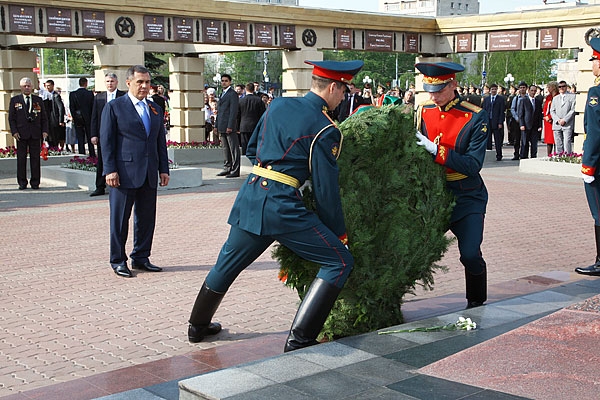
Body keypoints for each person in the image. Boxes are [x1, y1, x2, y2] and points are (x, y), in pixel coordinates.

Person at [187, 59, 363, 352]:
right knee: (339, 261)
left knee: (227, 264)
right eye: (343, 90)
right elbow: (325, 190)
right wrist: (339, 234)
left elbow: (253, 148)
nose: (343, 97)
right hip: (283, 206)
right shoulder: (325, 128)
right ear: (333, 87)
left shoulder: (279, 105)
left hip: (252, 196)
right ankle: (300, 340)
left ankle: (197, 326)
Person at [414, 61, 488, 309]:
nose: (433, 96)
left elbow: (472, 165)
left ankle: (476, 301)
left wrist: (437, 150)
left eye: (439, 90)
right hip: (435, 194)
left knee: (469, 254)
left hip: (467, 195)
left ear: (453, 85)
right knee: (414, 248)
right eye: (430, 90)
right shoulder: (423, 111)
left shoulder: (476, 116)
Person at [100, 65, 170, 278]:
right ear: (128, 83)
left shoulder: (155, 108)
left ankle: (141, 257)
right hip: (123, 174)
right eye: (140, 82)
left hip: (149, 172)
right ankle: (118, 260)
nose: (144, 86)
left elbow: (159, 141)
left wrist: (163, 169)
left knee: (147, 218)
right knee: (120, 220)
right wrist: (110, 170)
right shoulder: (115, 107)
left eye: (147, 82)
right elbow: (107, 141)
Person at [577, 38, 600, 276]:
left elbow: (595, 132)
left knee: (599, 213)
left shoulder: (596, 92)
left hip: (599, 164)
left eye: (594, 59)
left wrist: (588, 167)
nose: (592, 64)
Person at [8, 77, 49, 190]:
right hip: (21, 134)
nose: (27, 87)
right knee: (21, 159)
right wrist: (14, 131)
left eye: (29, 85)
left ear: (32, 87)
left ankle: (35, 182)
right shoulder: (15, 100)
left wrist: (45, 131)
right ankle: (22, 182)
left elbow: (44, 118)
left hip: (35, 133)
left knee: (35, 159)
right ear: (21, 87)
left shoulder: (38, 100)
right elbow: (11, 118)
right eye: (24, 86)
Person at [89, 72, 126, 197]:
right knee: (102, 160)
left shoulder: (123, 96)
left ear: (116, 82)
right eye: (108, 81)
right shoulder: (99, 98)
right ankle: (100, 186)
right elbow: (94, 117)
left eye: (112, 81)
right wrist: (94, 134)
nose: (110, 83)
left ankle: (119, 183)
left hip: (120, 135)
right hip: (103, 135)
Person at [215, 74, 240, 178]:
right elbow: (219, 111)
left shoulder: (232, 94)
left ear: (230, 82)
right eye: (222, 81)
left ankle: (235, 170)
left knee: (233, 149)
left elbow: (233, 111)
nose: (223, 82)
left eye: (226, 81)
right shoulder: (222, 94)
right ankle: (227, 167)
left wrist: (230, 126)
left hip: (229, 126)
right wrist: (216, 125)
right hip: (221, 125)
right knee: (225, 148)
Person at [237, 82, 266, 156]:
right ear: (253, 89)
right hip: (255, 126)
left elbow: (237, 115)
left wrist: (237, 127)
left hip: (244, 126)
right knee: (255, 145)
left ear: (245, 89)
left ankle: (245, 161)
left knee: (244, 146)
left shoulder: (241, 101)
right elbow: (263, 114)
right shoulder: (259, 100)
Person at [69, 77, 95, 157]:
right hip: (88, 118)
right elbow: (93, 106)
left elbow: (71, 108)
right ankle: (92, 154)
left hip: (78, 119)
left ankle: (82, 154)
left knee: (80, 137)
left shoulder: (73, 94)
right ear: (86, 83)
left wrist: (74, 118)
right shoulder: (89, 94)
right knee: (90, 136)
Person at [550, 80, 577, 154]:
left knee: (567, 142)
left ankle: (567, 157)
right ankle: (559, 156)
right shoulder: (555, 98)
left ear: (566, 87)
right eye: (560, 87)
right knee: (558, 142)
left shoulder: (572, 96)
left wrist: (565, 119)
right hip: (557, 124)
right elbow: (552, 111)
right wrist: (558, 120)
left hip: (567, 124)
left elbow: (573, 109)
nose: (561, 88)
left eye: (563, 86)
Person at [518, 84, 543, 159]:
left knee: (534, 144)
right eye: (532, 90)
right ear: (528, 91)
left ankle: (533, 158)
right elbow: (520, 114)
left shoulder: (538, 102)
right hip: (526, 125)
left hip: (535, 126)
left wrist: (540, 125)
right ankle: (523, 157)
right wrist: (521, 124)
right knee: (525, 143)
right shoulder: (524, 100)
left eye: (535, 91)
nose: (533, 92)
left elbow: (539, 115)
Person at [481, 83, 506, 160]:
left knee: (497, 140)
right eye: (492, 89)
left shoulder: (501, 99)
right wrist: (484, 121)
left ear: (497, 90)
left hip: (496, 122)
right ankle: (489, 154)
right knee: (488, 139)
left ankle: (499, 155)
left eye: (495, 89)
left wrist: (500, 122)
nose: (493, 91)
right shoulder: (486, 99)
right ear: (490, 90)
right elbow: (484, 111)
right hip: (488, 122)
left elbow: (502, 111)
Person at [43, 79, 66, 150]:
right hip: (48, 119)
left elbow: (61, 108)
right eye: (46, 86)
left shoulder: (56, 96)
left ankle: (54, 149)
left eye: (49, 86)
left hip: (54, 120)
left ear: (53, 86)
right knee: (49, 137)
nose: (47, 87)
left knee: (54, 137)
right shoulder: (44, 95)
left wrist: (60, 120)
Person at [510, 82, 528, 160]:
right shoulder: (516, 98)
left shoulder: (528, 98)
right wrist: (517, 118)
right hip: (517, 122)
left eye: (524, 87)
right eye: (520, 87)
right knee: (516, 139)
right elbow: (512, 109)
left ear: (526, 88)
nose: (522, 89)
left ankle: (524, 154)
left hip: (526, 121)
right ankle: (516, 154)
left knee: (525, 139)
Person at [542, 81, 558, 156]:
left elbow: (557, 109)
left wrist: (550, 117)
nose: (548, 89)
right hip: (548, 122)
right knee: (549, 140)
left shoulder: (557, 96)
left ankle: (556, 154)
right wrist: (546, 116)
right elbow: (545, 108)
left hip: (554, 120)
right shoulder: (548, 97)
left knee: (555, 139)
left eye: (549, 87)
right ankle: (549, 154)